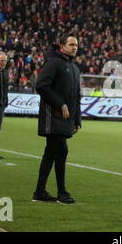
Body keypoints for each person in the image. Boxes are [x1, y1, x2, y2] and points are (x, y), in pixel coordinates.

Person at [32, 33, 81, 204]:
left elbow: (77, 96)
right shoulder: (54, 63)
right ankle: (62, 192)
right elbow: (41, 85)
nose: (74, 47)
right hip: (52, 116)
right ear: (62, 46)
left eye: (76, 45)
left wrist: (77, 118)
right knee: (61, 150)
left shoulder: (74, 67)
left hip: (66, 118)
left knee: (51, 153)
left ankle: (39, 192)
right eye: (71, 44)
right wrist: (60, 104)